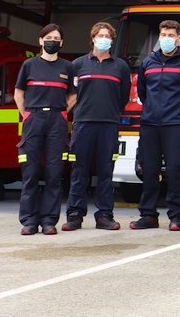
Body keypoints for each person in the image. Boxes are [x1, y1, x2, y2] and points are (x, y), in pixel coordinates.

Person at [132, 20, 180, 231]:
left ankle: (176, 216)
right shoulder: (148, 63)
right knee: (149, 169)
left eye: (171, 34)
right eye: (163, 34)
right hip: (150, 124)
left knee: (175, 170)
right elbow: (142, 93)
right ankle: (148, 215)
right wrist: (153, 111)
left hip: (176, 125)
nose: (166, 38)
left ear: (179, 37)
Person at [63, 22, 130, 231]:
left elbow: (123, 97)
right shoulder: (77, 65)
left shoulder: (121, 66)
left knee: (106, 171)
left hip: (109, 125)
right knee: (79, 171)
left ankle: (104, 216)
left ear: (112, 40)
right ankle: (74, 215)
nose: (103, 39)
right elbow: (70, 95)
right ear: (92, 39)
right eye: (100, 35)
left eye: (107, 36)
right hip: (83, 124)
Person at [15, 24, 75, 235]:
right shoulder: (29, 65)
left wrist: (60, 113)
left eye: (56, 38)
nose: (52, 41)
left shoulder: (67, 67)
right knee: (30, 172)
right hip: (33, 119)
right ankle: (29, 221)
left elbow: (73, 95)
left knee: (54, 173)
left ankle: (49, 220)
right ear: (40, 41)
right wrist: (27, 115)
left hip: (56, 121)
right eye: (48, 37)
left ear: (61, 43)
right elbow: (18, 93)